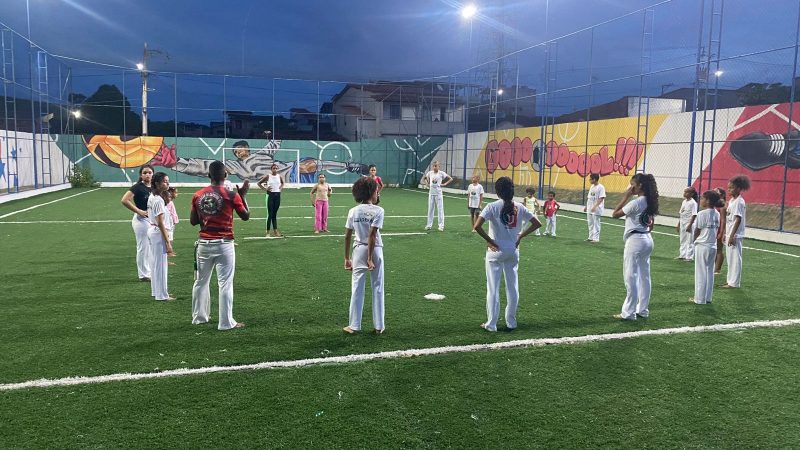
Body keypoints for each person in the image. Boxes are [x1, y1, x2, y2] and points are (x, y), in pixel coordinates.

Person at [474, 177, 541, 332]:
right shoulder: (520, 207)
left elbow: (477, 226)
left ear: (497, 191)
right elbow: (537, 224)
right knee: (512, 287)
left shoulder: (492, 207)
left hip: (495, 252)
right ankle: (511, 322)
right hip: (513, 250)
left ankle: (491, 324)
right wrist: (520, 236)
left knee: (493, 288)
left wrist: (489, 240)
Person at [190, 160, 250, 330]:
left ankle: (199, 318)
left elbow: (193, 221)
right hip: (224, 243)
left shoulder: (198, 195)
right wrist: (243, 197)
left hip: (204, 243)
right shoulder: (231, 195)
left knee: (200, 282)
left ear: (209, 175)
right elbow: (245, 216)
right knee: (225, 284)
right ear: (225, 175)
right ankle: (225, 322)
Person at [154, 139, 369, 183]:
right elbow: (205, 166)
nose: (238, 153)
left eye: (241, 149)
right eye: (235, 151)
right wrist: (177, 163)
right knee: (307, 165)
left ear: (247, 147)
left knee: (308, 164)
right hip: (274, 182)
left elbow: (276, 141)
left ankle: (349, 166)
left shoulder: (262, 152)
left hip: (291, 171)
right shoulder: (234, 166)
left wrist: (273, 134)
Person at [612, 173, 659, 320]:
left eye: (633, 184)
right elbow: (651, 223)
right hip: (647, 239)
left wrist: (626, 197)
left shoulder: (636, 202)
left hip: (636, 240)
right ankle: (642, 310)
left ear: (640, 186)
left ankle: (629, 313)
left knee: (630, 276)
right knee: (644, 276)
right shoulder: (650, 200)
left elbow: (615, 214)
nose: (630, 187)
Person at [343, 177, 385, 334]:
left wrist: (347, 258)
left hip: (358, 249)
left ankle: (354, 325)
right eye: (376, 190)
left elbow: (347, 236)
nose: (378, 193)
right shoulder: (379, 211)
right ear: (372, 192)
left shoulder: (353, 211)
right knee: (378, 286)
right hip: (375, 250)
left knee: (357, 287)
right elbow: (372, 235)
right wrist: (370, 258)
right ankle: (379, 326)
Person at [120, 165, 154, 282]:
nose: (147, 175)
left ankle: (149, 271)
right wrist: (138, 211)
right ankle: (143, 274)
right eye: (145, 173)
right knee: (143, 247)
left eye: (150, 172)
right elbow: (124, 200)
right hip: (141, 220)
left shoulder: (154, 187)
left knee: (150, 246)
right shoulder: (137, 187)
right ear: (141, 175)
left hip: (152, 219)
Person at [147, 172, 176, 301]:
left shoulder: (154, 196)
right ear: (157, 183)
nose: (167, 183)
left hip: (153, 231)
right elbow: (160, 222)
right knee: (161, 265)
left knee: (155, 264)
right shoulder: (158, 200)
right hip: (158, 233)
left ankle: (156, 291)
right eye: (164, 181)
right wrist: (168, 241)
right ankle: (162, 295)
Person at [691, 190, 723, 304]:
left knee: (700, 272)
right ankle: (708, 297)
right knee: (709, 272)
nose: (701, 200)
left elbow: (697, 230)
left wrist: (693, 241)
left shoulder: (701, 214)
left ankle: (699, 299)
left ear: (708, 200)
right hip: (712, 246)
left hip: (702, 245)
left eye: (703, 198)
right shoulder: (717, 213)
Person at [721, 175, 751, 289]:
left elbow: (738, 219)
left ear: (739, 188)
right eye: (728, 188)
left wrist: (732, 235)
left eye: (731, 188)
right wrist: (725, 233)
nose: (729, 190)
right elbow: (730, 218)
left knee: (735, 259)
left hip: (735, 235)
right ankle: (730, 281)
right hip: (730, 233)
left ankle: (734, 283)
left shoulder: (739, 201)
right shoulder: (732, 200)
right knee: (730, 258)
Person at [421, 160, 452, 231]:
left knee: (440, 210)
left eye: (436, 166)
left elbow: (450, 178)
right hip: (431, 194)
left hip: (438, 194)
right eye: (433, 166)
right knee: (430, 210)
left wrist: (445, 184)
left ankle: (441, 226)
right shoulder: (430, 173)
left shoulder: (441, 173)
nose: (434, 167)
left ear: (439, 166)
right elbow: (424, 178)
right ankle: (429, 225)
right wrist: (426, 183)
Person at [257, 163, 284, 237]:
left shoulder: (279, 176)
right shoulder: (268, 176)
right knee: (270, 214)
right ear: (271, 169)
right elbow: (259, 183)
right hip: (270, 196)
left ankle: (275, 231)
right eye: (273, 168)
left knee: (274, 214)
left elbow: (282, 183)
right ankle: (268, 232)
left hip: (277, 196)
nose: (275, 169)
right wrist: (265, 189)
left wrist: (280, 188)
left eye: (276, 168)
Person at [677, 186, 699, 260]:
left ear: (691, 194)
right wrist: (679, 224)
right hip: (683, 222)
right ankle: (682, 254)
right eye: (684, 192)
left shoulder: (693, 203)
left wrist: (690, 225)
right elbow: (681, 213)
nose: (685, 193)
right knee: (682, 239)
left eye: (687, 192)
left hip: (689, 223)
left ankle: (689, 256)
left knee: (689, 240)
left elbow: (694, 214)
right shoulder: (684, 201)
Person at [584, 173, 606, 242]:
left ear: (594, 179)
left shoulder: (601, 187)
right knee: (590, 222)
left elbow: (601, 198)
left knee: (596, 223)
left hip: (597, 208)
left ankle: (596, 239)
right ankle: (590, 237)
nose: (589, 180)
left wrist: (595, 206)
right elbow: (589, 197)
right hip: (590, 207)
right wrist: (586, 206)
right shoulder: (592, 187)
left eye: (590, 179)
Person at [714, 187, 727, 275]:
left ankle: (717, 269)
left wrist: (721, 232)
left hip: (719, 229)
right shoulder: (716, 204)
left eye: (716, 192)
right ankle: (714, 267)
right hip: (715, 228)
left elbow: (723, 220)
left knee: (719, 249)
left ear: (722, 195)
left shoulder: (723, 205)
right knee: (715, 249)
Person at [165, 187, 179, 265]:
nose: (176, 194)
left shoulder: (170, 202)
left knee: (170, 239)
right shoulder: (168, 202)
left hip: (171, 224)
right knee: (168, 240)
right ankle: (167, 256)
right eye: (175, 192)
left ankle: (169, 253)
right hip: (168, 224)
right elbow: (169, 213)